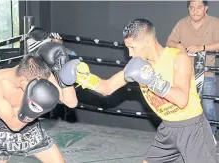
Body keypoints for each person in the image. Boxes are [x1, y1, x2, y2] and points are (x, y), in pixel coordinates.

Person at [58, 18, 218, 163]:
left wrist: (151, 80)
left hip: (192, 128)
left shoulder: (178, 58)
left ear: (148, 42)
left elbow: (182, 100)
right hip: (168, 128)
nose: (130, 54)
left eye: (132, 47)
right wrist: (82, 78)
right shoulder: (137, 66)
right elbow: (107, 87)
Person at [0, 47, 78, 162]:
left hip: (31, 131)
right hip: (2, 134)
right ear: (22, 81)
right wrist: (35, 109)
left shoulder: (39, 74)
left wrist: (64, 76)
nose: (40, 86)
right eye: (36, 85)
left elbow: (71, 102)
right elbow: (14, 125)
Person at [166, 0, 219, 135]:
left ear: (205, 8)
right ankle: (188, 138)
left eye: (199, 7)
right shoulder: (182, 23)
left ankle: (211, 138)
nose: (195, 10)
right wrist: (180, 47)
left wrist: (202, 47)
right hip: (185, 75)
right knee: (185, 107)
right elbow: (169, 41)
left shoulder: (214, 23)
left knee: (208, 108)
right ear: (188, 9)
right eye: (191, 7)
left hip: (206, 74)